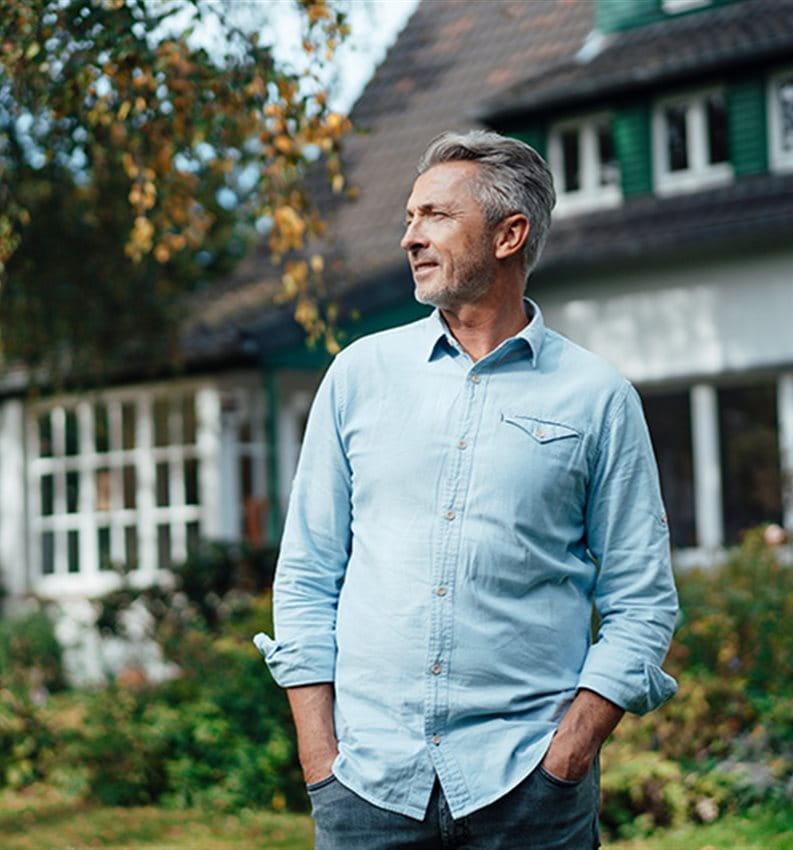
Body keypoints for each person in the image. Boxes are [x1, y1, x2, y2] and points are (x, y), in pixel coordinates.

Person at [254, 130, 678, 849]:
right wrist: (320, 758)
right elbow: (306, 575)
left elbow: (643, 601)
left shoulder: (597, 397)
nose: (410, 239)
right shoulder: (360, 376)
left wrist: (568, 755)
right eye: (409, 219)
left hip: (530, 793)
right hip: (367, 788)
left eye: (435, 217)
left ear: (510, 234)